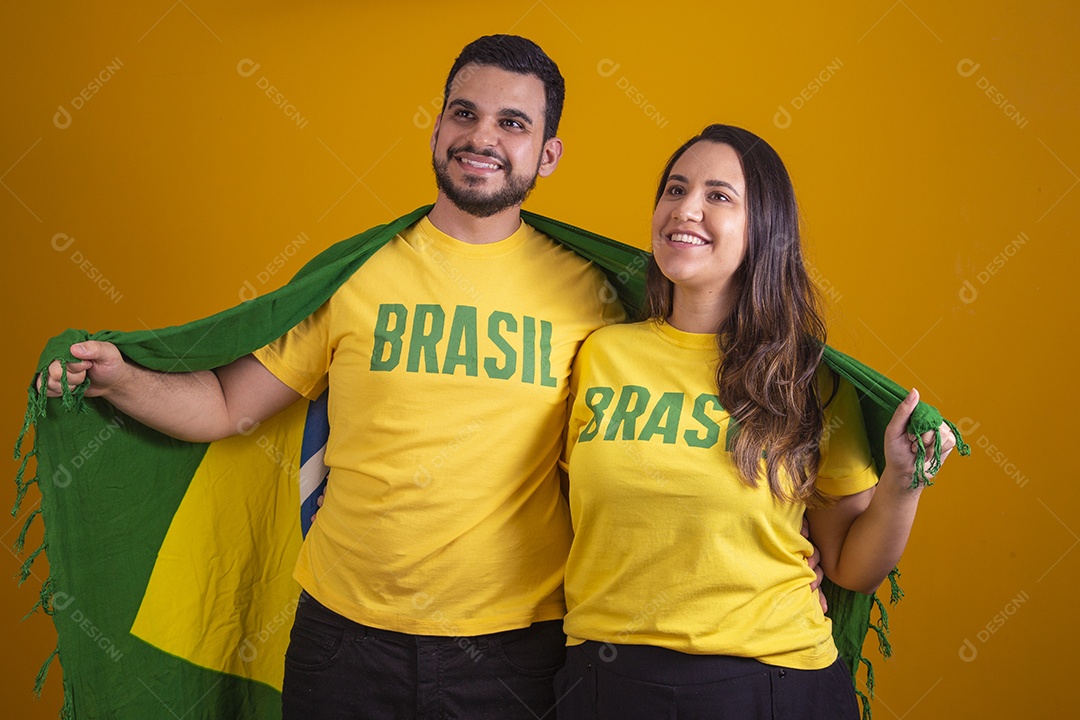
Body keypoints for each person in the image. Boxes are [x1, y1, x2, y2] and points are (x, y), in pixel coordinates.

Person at [38, 35, 624, 720]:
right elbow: (230, 404)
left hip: (513, 652)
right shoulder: (356, 274)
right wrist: (119, 382)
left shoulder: (595, 297)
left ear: (547, 154)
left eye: (512, 123)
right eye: (463, 114)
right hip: (344, 643)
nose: (481, 137)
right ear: (437, 128)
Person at [554, 124, 957, 719]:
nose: (685, 209)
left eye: (719, 196)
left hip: (770, 684)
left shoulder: (804, 378)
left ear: (761, 228)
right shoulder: (599, 354)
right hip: (605, 681)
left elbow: (850, 564)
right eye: (674, 189)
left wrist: (902, 482)